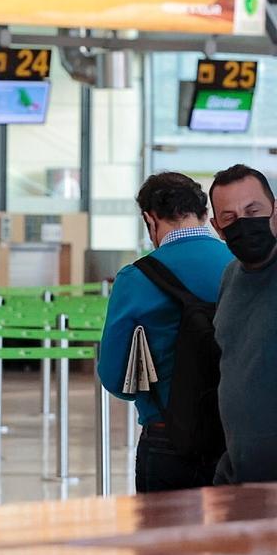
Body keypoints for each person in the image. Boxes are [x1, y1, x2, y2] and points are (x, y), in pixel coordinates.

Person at [96, 173, 232, 492]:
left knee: (164, 541)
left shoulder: (136, 278)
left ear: (149, 218)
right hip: (237, 436)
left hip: (168, 436)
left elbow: (116, 379)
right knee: (233, 539)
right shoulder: (240, 266)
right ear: (205, 215)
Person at [208, 164, 277, 485]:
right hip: (240, 477)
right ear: (217, 228)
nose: (244, 224)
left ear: (275, 210)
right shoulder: (230, 277)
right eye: (230, 218)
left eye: (253, 210)